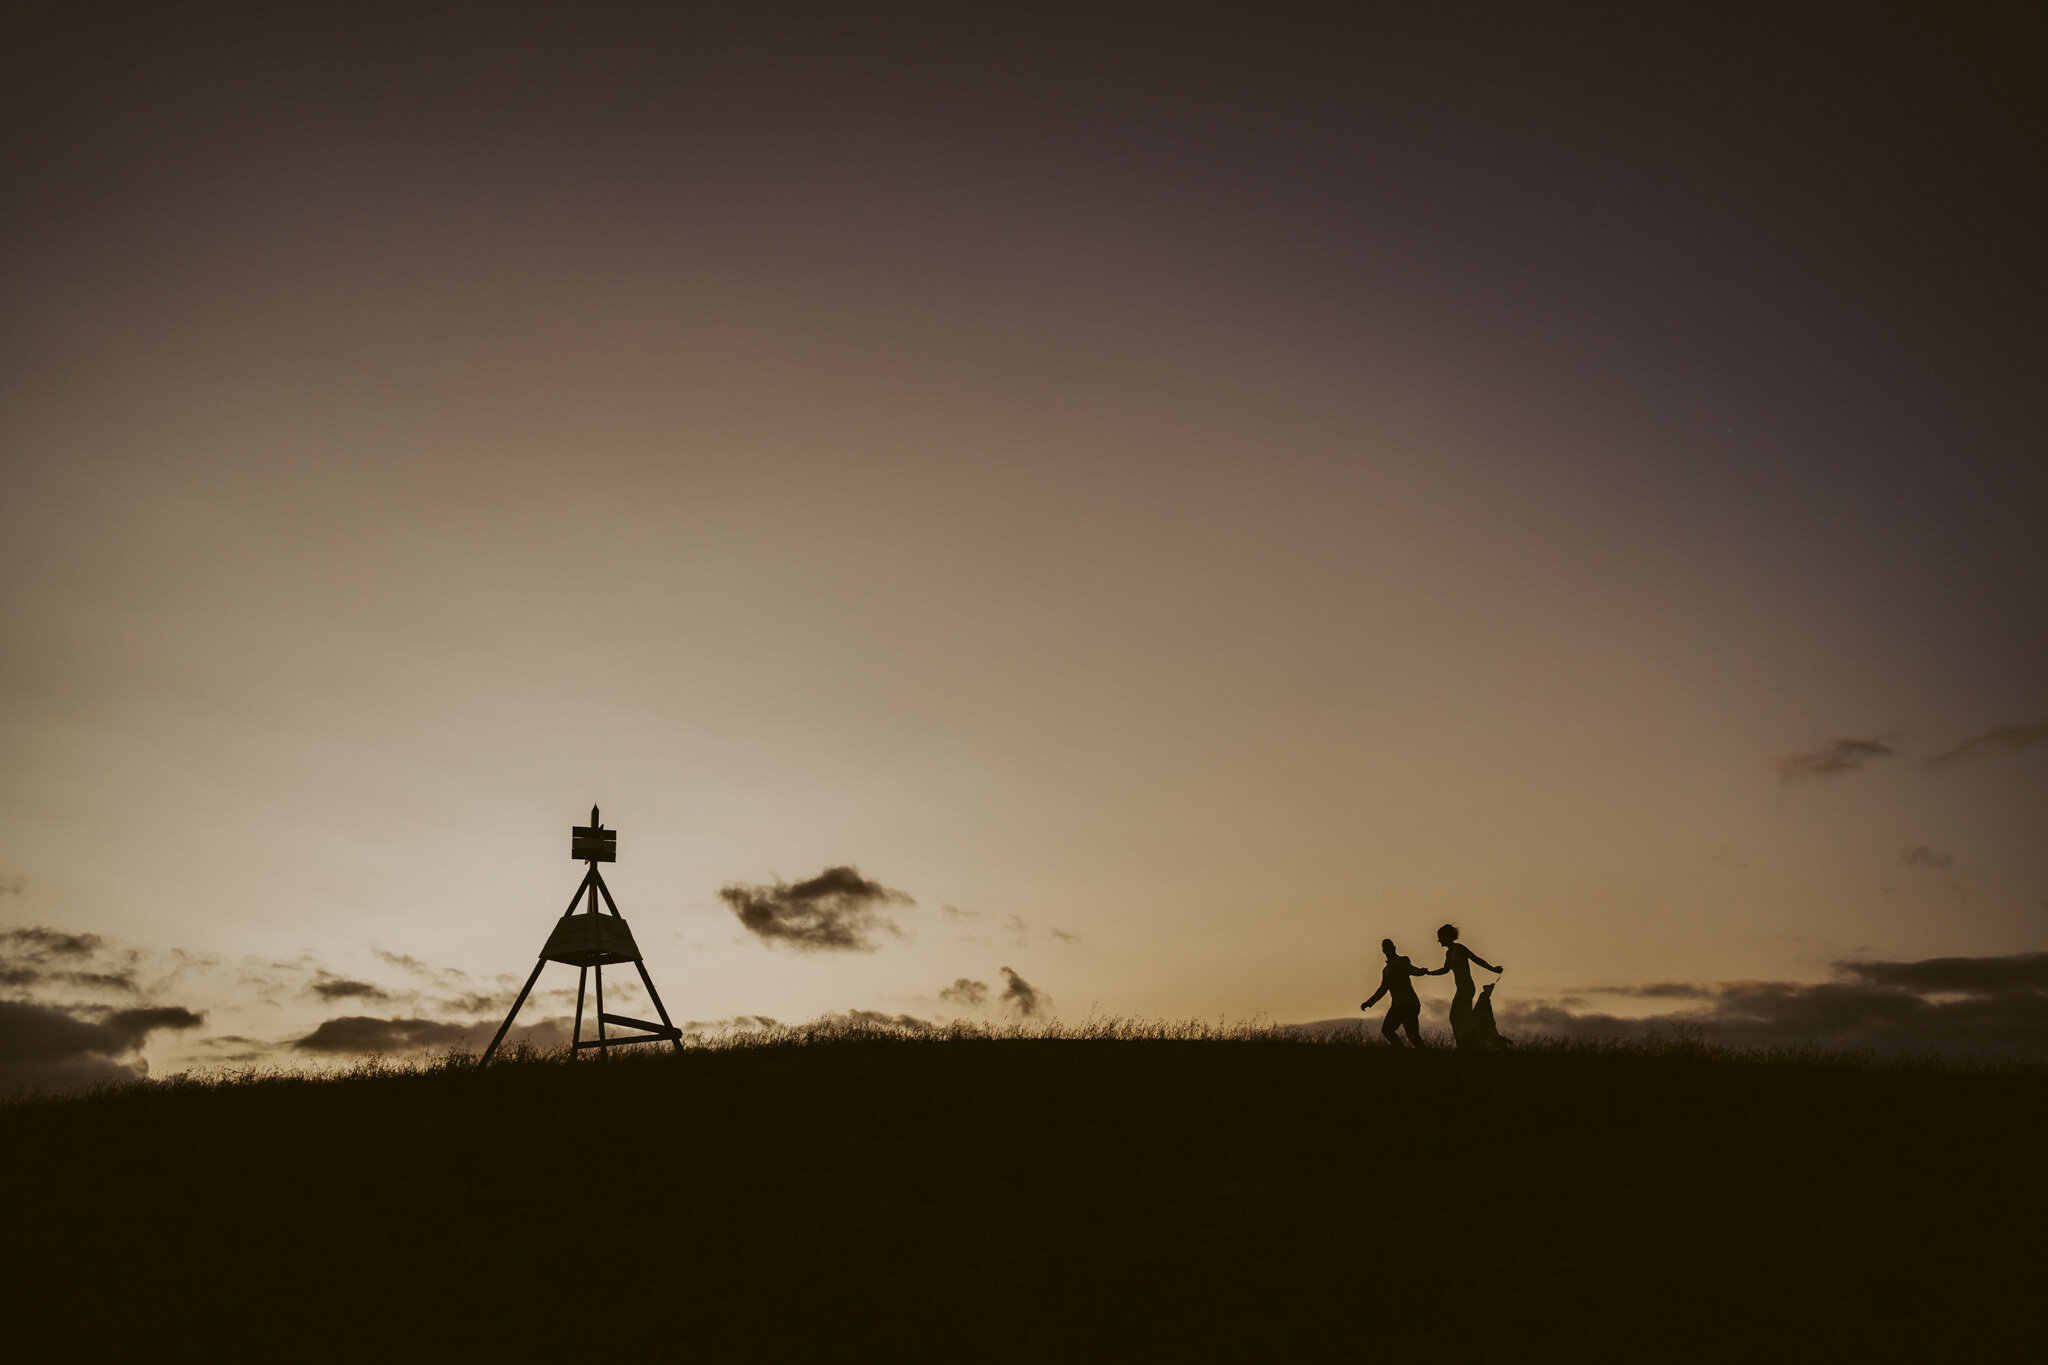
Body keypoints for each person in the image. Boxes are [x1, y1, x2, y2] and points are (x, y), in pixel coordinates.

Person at [1427, 923, 1503, 1049]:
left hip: (1467, 987)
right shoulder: (1449, 953)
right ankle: (1469, 1043)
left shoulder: (1459, 948)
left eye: (1440, 937)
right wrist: (1428, 973)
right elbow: (1445, 970)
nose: (1438, 940)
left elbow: (1476, 959)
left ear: (1447, 936)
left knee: (1455, 1016)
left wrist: (1492, 969)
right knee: (1461, 1018)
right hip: (1461, 988)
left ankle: (1467, 1044)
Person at [1361, 938, 1430, 1048]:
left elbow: (1411, 969)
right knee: (1387, 1030)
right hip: (1397, 1005)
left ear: (1394, 948)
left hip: (1410, 1004)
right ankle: (1401, 1052)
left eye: (1390, 947)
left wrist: (1420, 971)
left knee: (1412, 1035)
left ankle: (1426, 1056)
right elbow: (1382, 989)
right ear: (1383, 951)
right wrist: (1369, 1002)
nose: (1388, 950)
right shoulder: (1386, 970)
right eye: (1385, 948)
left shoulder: (1403, 960)